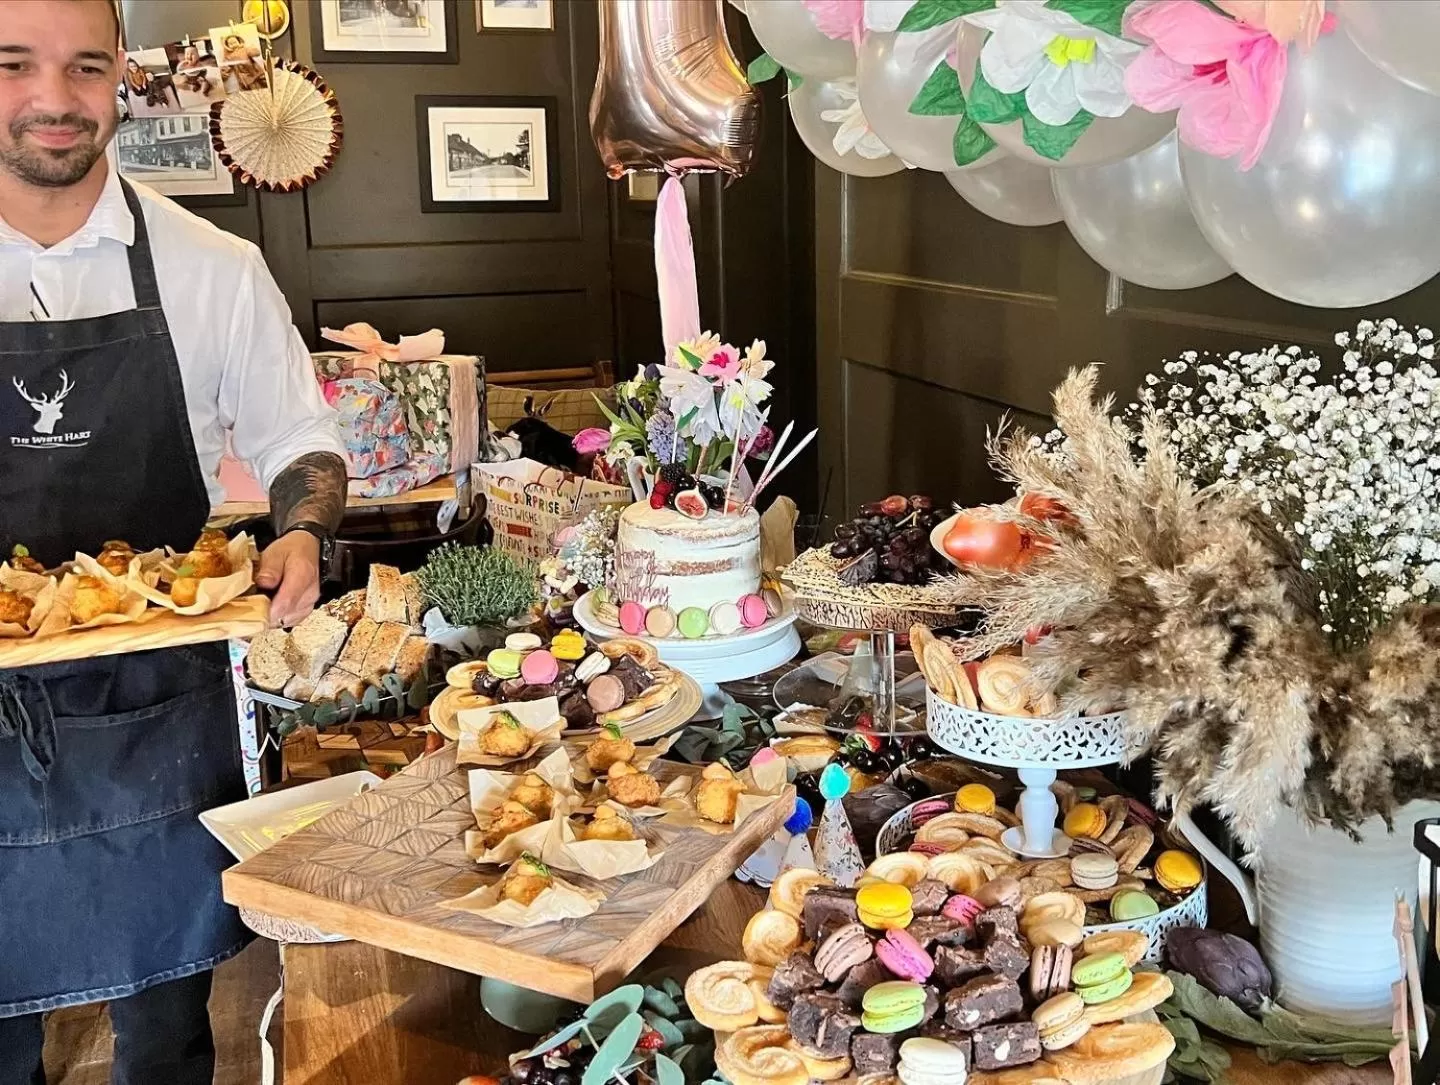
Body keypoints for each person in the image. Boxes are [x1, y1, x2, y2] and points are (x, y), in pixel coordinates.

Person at [0, 2, 347, 1082]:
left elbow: (301, 438)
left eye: (84, 67)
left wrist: (301, 531)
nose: (53, 98)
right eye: (12, 63)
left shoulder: (213, 266)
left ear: (121, 76)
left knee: (167, 1033)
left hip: (154, 706)